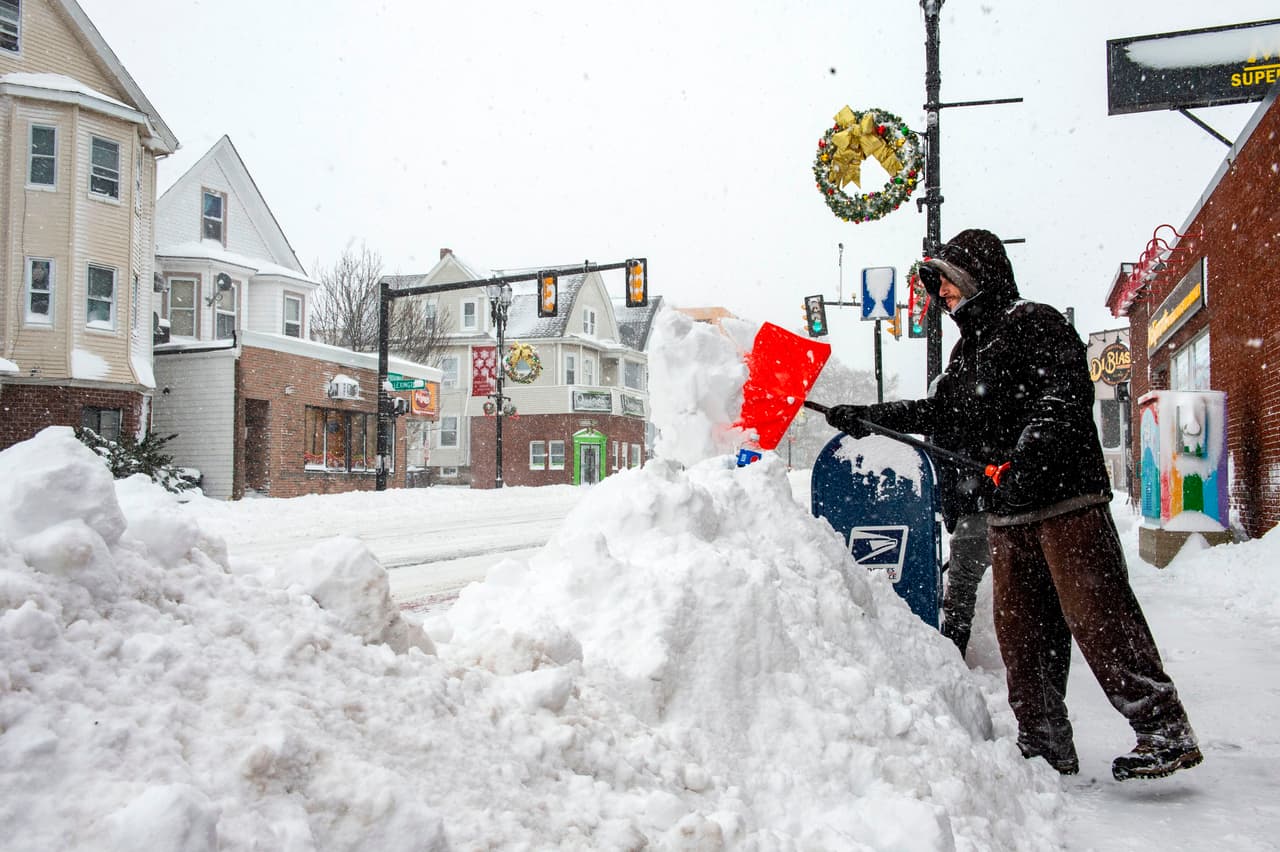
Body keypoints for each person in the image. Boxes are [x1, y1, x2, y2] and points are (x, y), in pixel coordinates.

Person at [823, 228, 1200, 781]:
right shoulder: (968, 350)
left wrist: (1023, 458)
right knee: (1023, 633)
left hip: (1066, 499)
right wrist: (868, 417)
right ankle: (1044, 743)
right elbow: (941, 414)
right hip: (1009, 512)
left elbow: (1062, 401)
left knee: (1099, 618)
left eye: (947, 283)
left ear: (977, 277)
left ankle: (1163, 728)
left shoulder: (1035, 323)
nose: (942, 297)